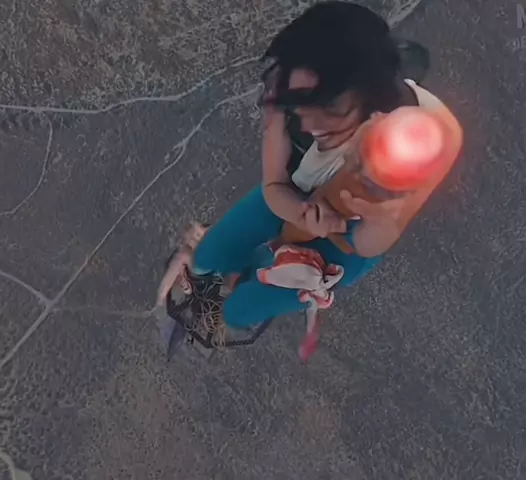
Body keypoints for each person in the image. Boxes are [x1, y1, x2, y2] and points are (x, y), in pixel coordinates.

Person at [156, 1, 463, 335]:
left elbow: (371, 243)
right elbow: (274, 185)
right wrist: (301, 214)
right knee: (207, 257)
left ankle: (253, 276)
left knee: (239, 311)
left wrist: (379, 222)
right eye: (301, 104)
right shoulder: (289, 88)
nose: (311, 123)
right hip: (297, 191)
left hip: (351, 234)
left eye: (329, 105)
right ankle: (230, 268)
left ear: (371, 94)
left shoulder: (428, 140)